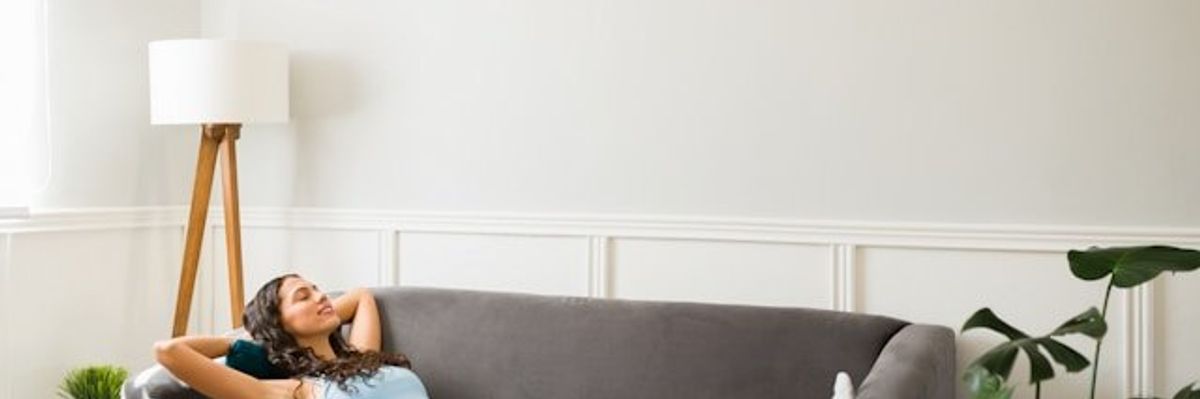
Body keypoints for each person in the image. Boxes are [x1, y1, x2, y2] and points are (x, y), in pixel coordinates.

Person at [153, 273, 429, 399]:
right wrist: (258, 335)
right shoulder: (293, 391)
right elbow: (168, 351)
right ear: (279, 324)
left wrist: (318, 310)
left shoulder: (361, 356)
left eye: (317, 289)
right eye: (303, 296)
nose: (321, 296)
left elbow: (361, 296)